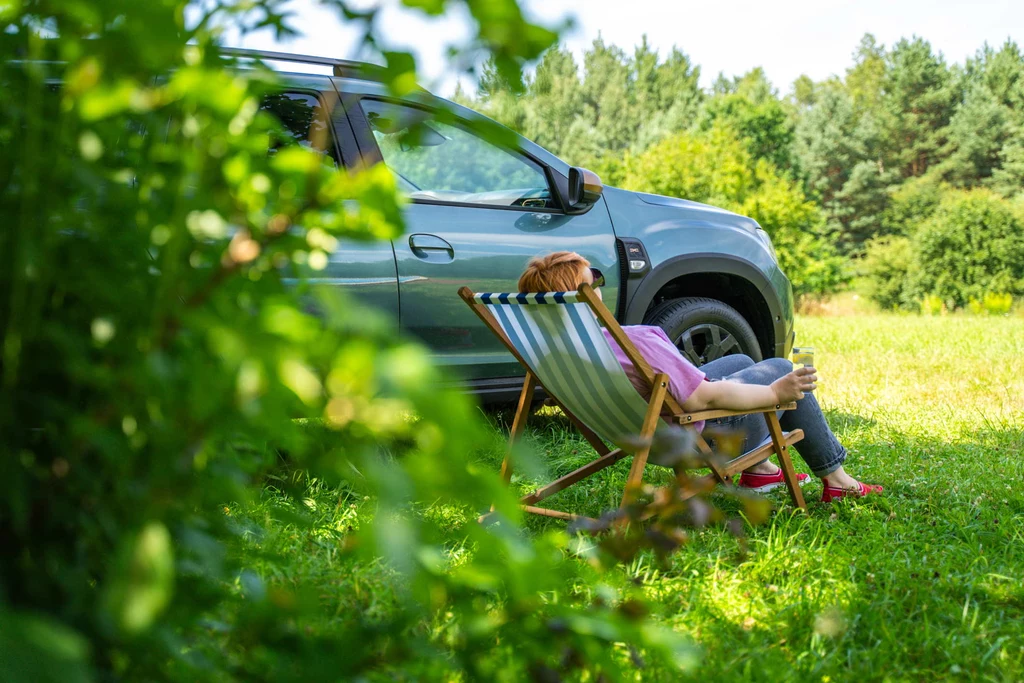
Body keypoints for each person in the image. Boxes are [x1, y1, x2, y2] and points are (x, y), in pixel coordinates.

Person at [517, 251, 883, 502]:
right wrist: (775, 392)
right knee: (783, 368)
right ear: (579, 298)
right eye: (591, 280)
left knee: (739, 359)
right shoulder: (635, 341)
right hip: (700, 443)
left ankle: (759, 470)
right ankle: (837, 480)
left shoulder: (553, 352)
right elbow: (701, 401)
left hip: (641, 435)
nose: (599, 284)